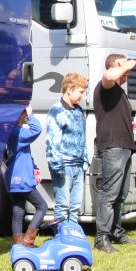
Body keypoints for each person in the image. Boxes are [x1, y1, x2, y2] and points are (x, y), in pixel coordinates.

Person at [93, 54, 136, 254]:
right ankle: (101, 237)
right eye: (124, 63)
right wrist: (126, 65)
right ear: (116, 65)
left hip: (124, 146)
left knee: (120, 194)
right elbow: (109, 76)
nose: (128, 70)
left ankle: (116, 232)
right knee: (109, 193)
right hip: (113, 147)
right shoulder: (105, 85)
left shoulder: (119, 91)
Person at [46, 72, 88, 225]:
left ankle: (73, 235)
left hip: (78, 165)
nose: (82, 96)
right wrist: (57, 166)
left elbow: (83, 138)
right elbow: (52, 140)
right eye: (80, 92)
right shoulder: (57, 110)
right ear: (69, 89)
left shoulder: (79, 111)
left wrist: (85, 161)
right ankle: (62, 236)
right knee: (63, 205)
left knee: (75, 206)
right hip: (64, 165)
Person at [5, 105, 46, 247]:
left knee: (18, 212)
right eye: (25, 114)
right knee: (42, 206)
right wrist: (31, 114)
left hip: (13, 179)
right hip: (22, 180)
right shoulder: (18, 133)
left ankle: (18, 245)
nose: (26, 117)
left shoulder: (11, 133)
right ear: (21, 115)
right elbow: (37, 129)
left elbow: (24, 155)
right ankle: (28, 241)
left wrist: (34, 168)